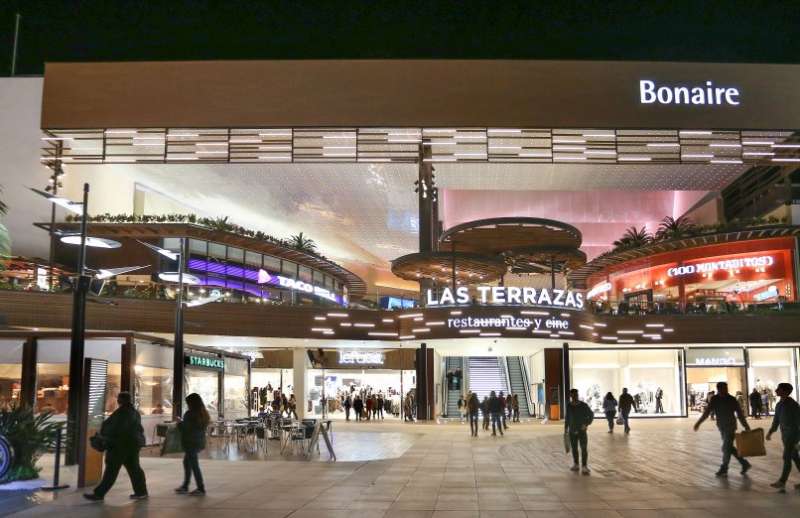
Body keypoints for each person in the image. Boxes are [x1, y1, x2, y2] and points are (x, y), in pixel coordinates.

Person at [84, 392, 148, 501]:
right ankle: (141, 492)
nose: (118, 401)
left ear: (120, 400)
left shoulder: (122, 413)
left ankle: (99, 494)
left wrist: (104, 438)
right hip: (132, 446)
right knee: (135, 469)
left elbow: (116, 429)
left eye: (119, 399)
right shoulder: (134, 412)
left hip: (119, 447)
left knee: (111, 471)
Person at [694, 381, 752, 478]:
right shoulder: (715, 399)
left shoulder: (732, 399)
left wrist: (746, 426)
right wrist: (699, 422)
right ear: (718, 389)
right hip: (721, 427)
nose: (725, 390)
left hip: (730, 427)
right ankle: (744, 463)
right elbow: (707, 412)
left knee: (726, 448)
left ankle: (724, 468)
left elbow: (740, 414)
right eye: (722, 388)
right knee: (729, 448)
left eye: (726, 388)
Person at [766, 383, 800, 491]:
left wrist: (798, 440)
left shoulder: (793, 405)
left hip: (793, 435)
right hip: (785, 435)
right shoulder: (779, 404)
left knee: (786, 457)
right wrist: (771, 432)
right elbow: (776, 420)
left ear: (785, 391)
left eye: (778, 389)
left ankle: (782, 481)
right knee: (795, 458)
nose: (776, 390)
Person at [176, 393, 210, 495]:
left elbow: (185, 428)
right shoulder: (203, 414)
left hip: (190, 442)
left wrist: (179, 423)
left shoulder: (190, 414)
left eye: (188, 403)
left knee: (194, 465)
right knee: (187, 462)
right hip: (198, 441)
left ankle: (200, 488)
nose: (187, 405)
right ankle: (185, 485)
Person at [565, 388, 593, 475]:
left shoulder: (583, 405)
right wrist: (566, 429)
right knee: (574, 448)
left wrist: (586, 424)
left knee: (583, 448)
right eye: (573, 395)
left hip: (582, 431)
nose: (574, 396)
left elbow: (591, 415)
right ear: (570, 396)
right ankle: (576, 464)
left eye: (576, 395)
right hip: (572, 431)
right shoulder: (569, 405)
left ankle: (584, 466)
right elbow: (567, 418)